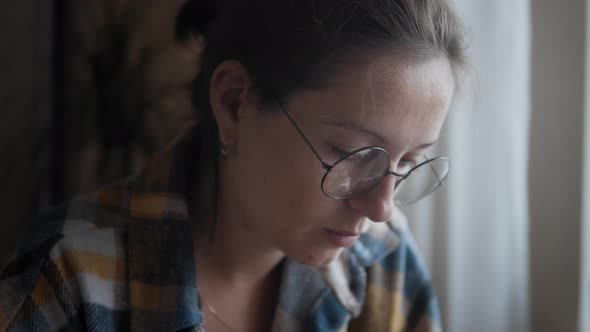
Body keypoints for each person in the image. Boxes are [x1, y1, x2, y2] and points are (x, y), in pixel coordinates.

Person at [0, 0, 467, 331]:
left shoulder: (386, 262)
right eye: (356, 154)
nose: (382, 207)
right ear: (234, 102)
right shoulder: (70, 279)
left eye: (410, 161)